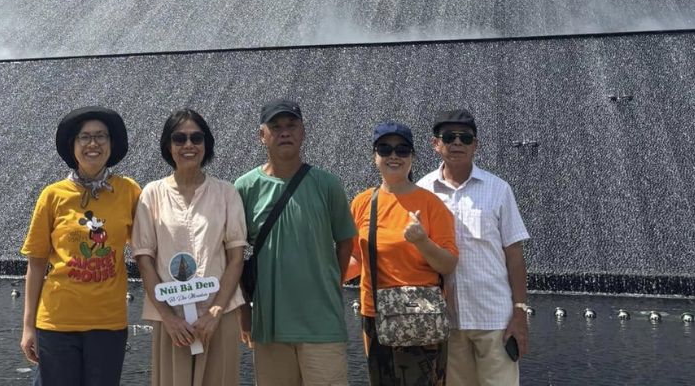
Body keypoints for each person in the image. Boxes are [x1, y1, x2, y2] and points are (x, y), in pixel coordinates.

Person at [234, 100, 357, 386]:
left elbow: (345, 242)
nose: (284, 133)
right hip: (270, 325)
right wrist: (244, 313)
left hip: (322, 324)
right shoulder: (244, 187)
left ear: (303, 132)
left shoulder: (327, 184)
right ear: (261, 135)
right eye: (276, 127)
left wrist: (329, 284)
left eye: (291, 126)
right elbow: (235, 256)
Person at [19, 106, 142, 386]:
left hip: (108, 323)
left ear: (112, 144)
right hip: (56, 323)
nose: (93, 144)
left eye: (101, 136)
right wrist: (28, 327)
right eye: (85, 137)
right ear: (73, 145)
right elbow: (36, 262)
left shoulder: (129, 191)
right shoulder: (53, 196)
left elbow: (147, 248)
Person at [132, 108, 247, 386]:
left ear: (206, 144)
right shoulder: (152, 194)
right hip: (172, 320)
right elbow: (144, 259)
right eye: (179, 138)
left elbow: (236, 258)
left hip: (219, 314)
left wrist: (216, 311)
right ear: (168, 145)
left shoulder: (226, 193)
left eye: (196, 138)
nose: (188, 145)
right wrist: (169, 318)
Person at [416, 109, 530, 386]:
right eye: (449, 137)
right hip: (447, 322)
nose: (457, 143)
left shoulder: (499, 189)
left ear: (475, 145)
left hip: (495, 320)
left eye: (465, 138)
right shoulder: (421, 191)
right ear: (436, 143)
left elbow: (514, 257)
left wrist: (519, 313)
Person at [352, 121, 458, 386]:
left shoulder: (431, 204)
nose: (393, 156)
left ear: (413, 156)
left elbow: (448, 264)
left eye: (402, 150)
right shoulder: (362, 202)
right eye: (385, 149)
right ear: (375, 155)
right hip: (375, 312)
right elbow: (355, 258)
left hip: (421, 308)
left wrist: (422, 241)